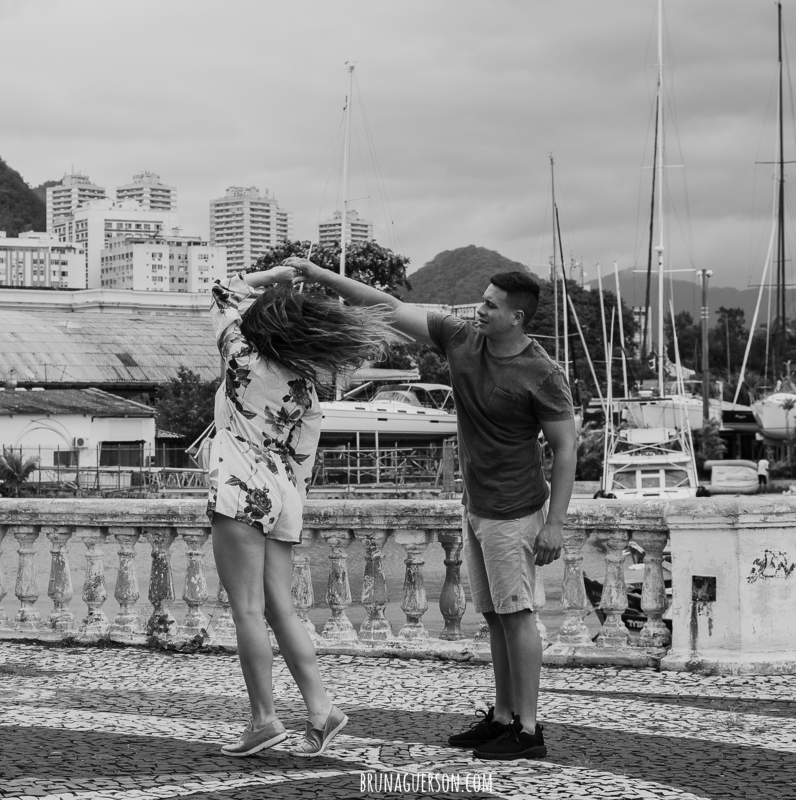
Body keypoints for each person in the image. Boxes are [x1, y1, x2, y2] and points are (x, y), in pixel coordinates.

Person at [292, 258, 576, 761]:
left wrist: (555, 523)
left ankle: (528, 730)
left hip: (515, 510)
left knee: (518, 616)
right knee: (495, 616)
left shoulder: (542, 373)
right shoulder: (460, 338)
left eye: (490, 306)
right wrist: (319, 274)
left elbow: (566, 448)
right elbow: (388, 306)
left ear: (516, 317)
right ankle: (503, 717)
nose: (480, 310)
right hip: (477, 506)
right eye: (481, 301)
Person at [206, 264, 396, 758]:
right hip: (284, 492)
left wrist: (277, 273)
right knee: (280, 609)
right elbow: (303, 460)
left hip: (240, 485)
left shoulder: (240, 356)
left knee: (248, 610)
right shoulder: (306, 388)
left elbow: (222, 288)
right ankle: (320, 709)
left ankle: (264, 720)